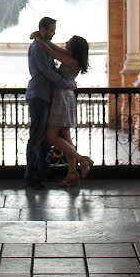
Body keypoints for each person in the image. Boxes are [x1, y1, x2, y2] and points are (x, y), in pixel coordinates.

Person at [31, 31, 93, 187]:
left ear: (74, 47)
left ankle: (81, 160)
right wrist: (42, 37)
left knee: (51, 137)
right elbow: (53, 47)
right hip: (66, 96)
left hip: (62, 98)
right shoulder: (72, 56)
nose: (66, 42)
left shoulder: (72, 60)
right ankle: (72, 173)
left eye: (69, 41)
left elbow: (51, 52)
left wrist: (39, 39)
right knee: (65, 137)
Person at [25, 16, 77, 189]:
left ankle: (41, 172)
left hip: (45, 96)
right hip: (39, 95)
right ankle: (31, 175)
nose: (54, 33)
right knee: (37, 137)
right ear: (43, 29)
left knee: (43, 139)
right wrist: (68, 84)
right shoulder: (38, 48)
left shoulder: (43, 46)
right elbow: (48, 72)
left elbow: (53, 54)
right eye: (51, 30)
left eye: (54, 30)